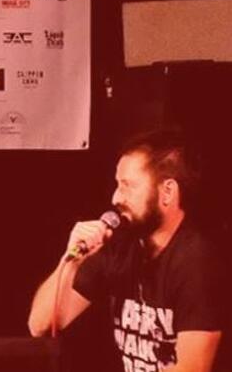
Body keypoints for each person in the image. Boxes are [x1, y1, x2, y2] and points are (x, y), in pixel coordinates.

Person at [28, 130, 225, 372]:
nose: (115, 198)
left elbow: (192, 368)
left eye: (127, 186)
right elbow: (39, 325)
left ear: (167, 192)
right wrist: (70, 261)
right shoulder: (120, 244)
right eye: (117, 185)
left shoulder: (198, 261)